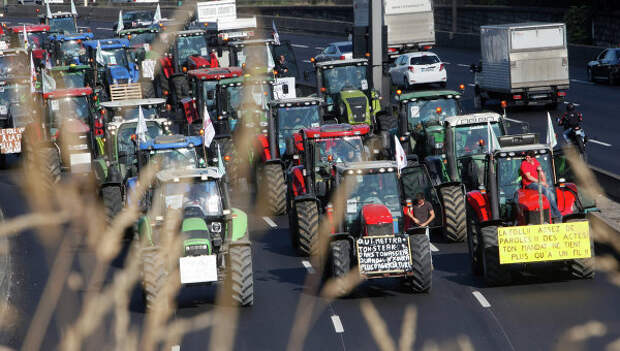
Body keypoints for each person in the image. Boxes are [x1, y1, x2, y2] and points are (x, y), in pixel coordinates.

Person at [519, 150, 562, 220]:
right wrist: (541, 182)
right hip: (530, 184)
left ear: (533, 158)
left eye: (528, 157)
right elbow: (529, 177)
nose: (527, 159)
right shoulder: (524, 164)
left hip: (539, 183)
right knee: (547, 192)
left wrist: (545, 183)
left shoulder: (536, 162)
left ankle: (554, 212)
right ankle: (555, 214)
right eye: (526, 157)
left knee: (551, 192)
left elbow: (541, 173)